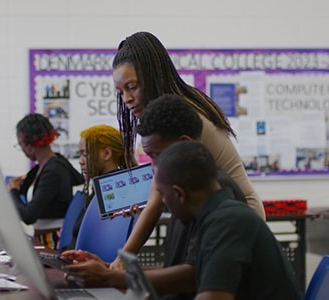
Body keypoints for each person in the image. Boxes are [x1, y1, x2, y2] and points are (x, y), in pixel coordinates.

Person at [60, 95, 247, 300]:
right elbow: (175, 268)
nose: (152, 168)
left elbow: (194, 276)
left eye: (156, 156)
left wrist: (110, 277)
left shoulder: (216, 196)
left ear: (184, 144)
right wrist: (110, 270)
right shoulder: (185, 191)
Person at [111, 31, 265, 266]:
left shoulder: (184, 120)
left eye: (132, 87)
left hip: (238, 216)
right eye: (121, 92)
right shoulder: (173, 113)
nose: (127, 99)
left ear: (152, 77)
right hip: (217, 215)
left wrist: (121, 261)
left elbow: (157, 196)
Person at [153, 140, 301, 300]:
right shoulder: (216, 216)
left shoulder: (228, 222)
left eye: (162, 194)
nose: (163, 201)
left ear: (179, 194)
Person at [8, 113, 84, 250]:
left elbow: (28, 216)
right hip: (44, 238)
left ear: (29, 146)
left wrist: (12, 191)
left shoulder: (53, 170)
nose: (23, 151)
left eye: (21, 145)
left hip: (52, 241)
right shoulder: (47, 165)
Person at [60, 124, 137, 251]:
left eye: (85, 154)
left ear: (106, 154)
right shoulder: (100, 190)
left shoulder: (113, 196)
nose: (80, 161)